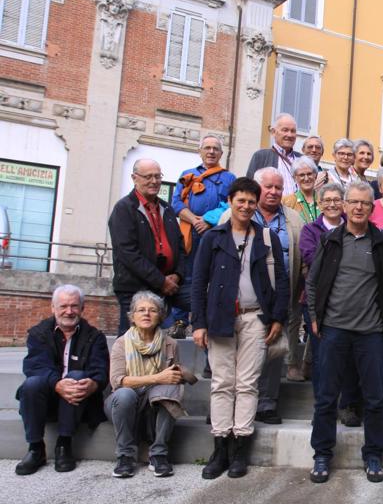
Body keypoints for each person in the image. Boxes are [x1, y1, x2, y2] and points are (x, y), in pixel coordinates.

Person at [307, 182, 383, 484]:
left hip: (370, 332)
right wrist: (314, 315)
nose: (359, 207)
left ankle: (373, 455)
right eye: (354, 202)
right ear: (345, 206)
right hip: (334, 330)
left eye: (365, 202)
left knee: (374, 398)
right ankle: (322, 455)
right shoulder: (330, 240)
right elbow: (312, 282)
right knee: (326, 397)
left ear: (371, 207)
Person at [191, 177, 288, 479]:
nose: (245, 206)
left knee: (247, 384)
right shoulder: (213, 238)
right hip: (220, 318)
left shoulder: (267, 238)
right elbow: (197, 282)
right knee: (222, 382)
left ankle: (239, 448)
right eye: (240, 201)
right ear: (231, 202)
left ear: (256, 205)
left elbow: (282, 282)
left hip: (255, 318)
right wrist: (198, 323)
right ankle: (219, 447)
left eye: (250, 202)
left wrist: (277, 319)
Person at [15, 285, 109, 475]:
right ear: (53, 308)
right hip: (47, 400)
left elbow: (100, 370)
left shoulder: (95, 337)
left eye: (74, 306)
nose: (69, 311)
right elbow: (35, 366)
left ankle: (64, 445)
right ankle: (35, 448)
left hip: (80, 401)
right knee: (32, 383)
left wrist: (94, 384)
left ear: (82, 308)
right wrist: (57, 384)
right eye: (63, 306)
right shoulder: (39, 333)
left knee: (77, 377)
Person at [106, 291, 188, 478]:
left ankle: (159, 454)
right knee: (125, 394)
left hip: (154, 402)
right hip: (122, 404)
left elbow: (172, 378)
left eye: (152, 310)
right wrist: (157, 377)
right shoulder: (121, 343)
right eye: (141, 310)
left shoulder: (170, 344)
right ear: (132, 316)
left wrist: (177, 375)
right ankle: (125, 457)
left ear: (160, 316)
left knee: (171, 388)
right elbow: (118, 381)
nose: (146, 314)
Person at [109, 159, 189, 336]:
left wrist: (178, 275)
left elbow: (180, 247)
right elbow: (128, 253)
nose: (154, 181)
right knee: (132, 340)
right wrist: (161, 281)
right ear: (134, 178)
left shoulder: (166, 208)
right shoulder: (124, 209)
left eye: (157, 176)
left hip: (169, 283)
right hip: (135, 287)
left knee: (203, 302)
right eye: (148, 177)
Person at [245, 168, 306, 398]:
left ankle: (268, 403)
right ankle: (246, 404)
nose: (273, 192)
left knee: (275, 351)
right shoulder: (241, 212)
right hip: (248, 297)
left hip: (282, 294)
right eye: (268, 187)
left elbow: (301, 256)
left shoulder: (293, 218)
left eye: (278, 187)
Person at [170, 136, 236, 336]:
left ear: (221, 154)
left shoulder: (229, 178)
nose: (211, 152)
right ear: (200, 151)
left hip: (214, 234)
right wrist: (194, 220)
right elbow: (176, 203)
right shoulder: (187, 175)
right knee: (185, 275)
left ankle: (207, 319)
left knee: (212, 276)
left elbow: (230, 204)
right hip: (189, 234)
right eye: (207, 148)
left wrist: (207, 220)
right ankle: (180, 321)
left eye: (215, 149)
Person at [299, 182, 347, 398]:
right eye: (327, 200)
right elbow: (310, 257)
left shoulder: (354, 227)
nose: (332, 204)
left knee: (347, 355)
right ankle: (322, 404)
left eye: (337, 200)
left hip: (350, 300)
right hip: (316, 300)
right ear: (319, 204)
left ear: (344, 203)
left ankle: (345, 404)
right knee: (321, 355)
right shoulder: (310, 230)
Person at [245, 113, 301, 193]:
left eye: (293, 131)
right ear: (273, 132)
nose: (289, 135)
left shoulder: (301, 159)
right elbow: (249, 188)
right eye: (285, 130)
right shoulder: (261, 156)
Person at [283, 156, 321, 224]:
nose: (306, 178)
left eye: (309, 174)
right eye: (301, 175)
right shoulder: (286, 202)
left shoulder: (325, 200)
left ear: (315, 175)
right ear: (294, 178)